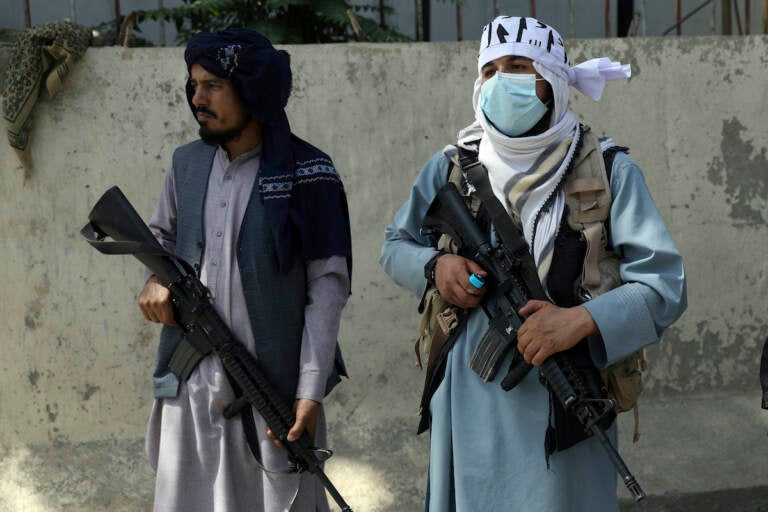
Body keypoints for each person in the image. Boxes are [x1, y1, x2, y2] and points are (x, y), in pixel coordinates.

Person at [380, 16, 687, 511]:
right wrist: (435, 266)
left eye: (519, 66)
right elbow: (395, 244)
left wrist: (581, 320)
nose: (502, 80)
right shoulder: (452, 168)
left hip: (568, 395)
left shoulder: (608, 170)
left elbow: (664, 286)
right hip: (468, 398)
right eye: (491, 69)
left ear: (553, 80)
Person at [137, 29, 352, 512]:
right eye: (193, 85)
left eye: (213, 85)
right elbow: (160, 241)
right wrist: (154, 281)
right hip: (191, 382)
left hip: (271, 391)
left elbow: (328, 288)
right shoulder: (185, 164)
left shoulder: (309, 171)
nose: (197, 98)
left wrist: (309, 392)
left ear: (252, 91)